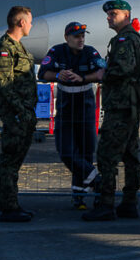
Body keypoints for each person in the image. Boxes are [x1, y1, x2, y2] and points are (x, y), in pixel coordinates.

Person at [83, 0, 140, 221]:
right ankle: (129, 203)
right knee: (129, 156)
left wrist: (103, 75)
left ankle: (106, 205)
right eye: (108, 14)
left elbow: (123, 70)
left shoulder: (125, 40)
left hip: (120, 107)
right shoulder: (128, 38)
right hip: (128, 106)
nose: (109, 17)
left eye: (114, 13)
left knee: (107, 155)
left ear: (127, 15)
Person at [38, 22, 105, 209]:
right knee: (66, 152)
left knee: (85, 152)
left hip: (85, 105)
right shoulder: (57, 51)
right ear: (67, 38)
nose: (81, 39)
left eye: (83, 36)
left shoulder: (90, 52)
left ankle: (79, 196)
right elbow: (43, 73)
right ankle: (97, 180)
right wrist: (58, 75)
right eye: (76, 36)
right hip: (66, 106)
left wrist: (83, 78)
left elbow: (102, 72)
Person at [0, 6, 39, 222]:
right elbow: (5, 84)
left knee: (15, 161)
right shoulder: (5, 48)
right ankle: (8, 207)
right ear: (21, 23)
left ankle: (12, 204)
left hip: (25, 113)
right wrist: (20, 111)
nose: (31, 25)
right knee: (10, 161)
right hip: (16, 115)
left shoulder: (18, 46)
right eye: (29, 21)